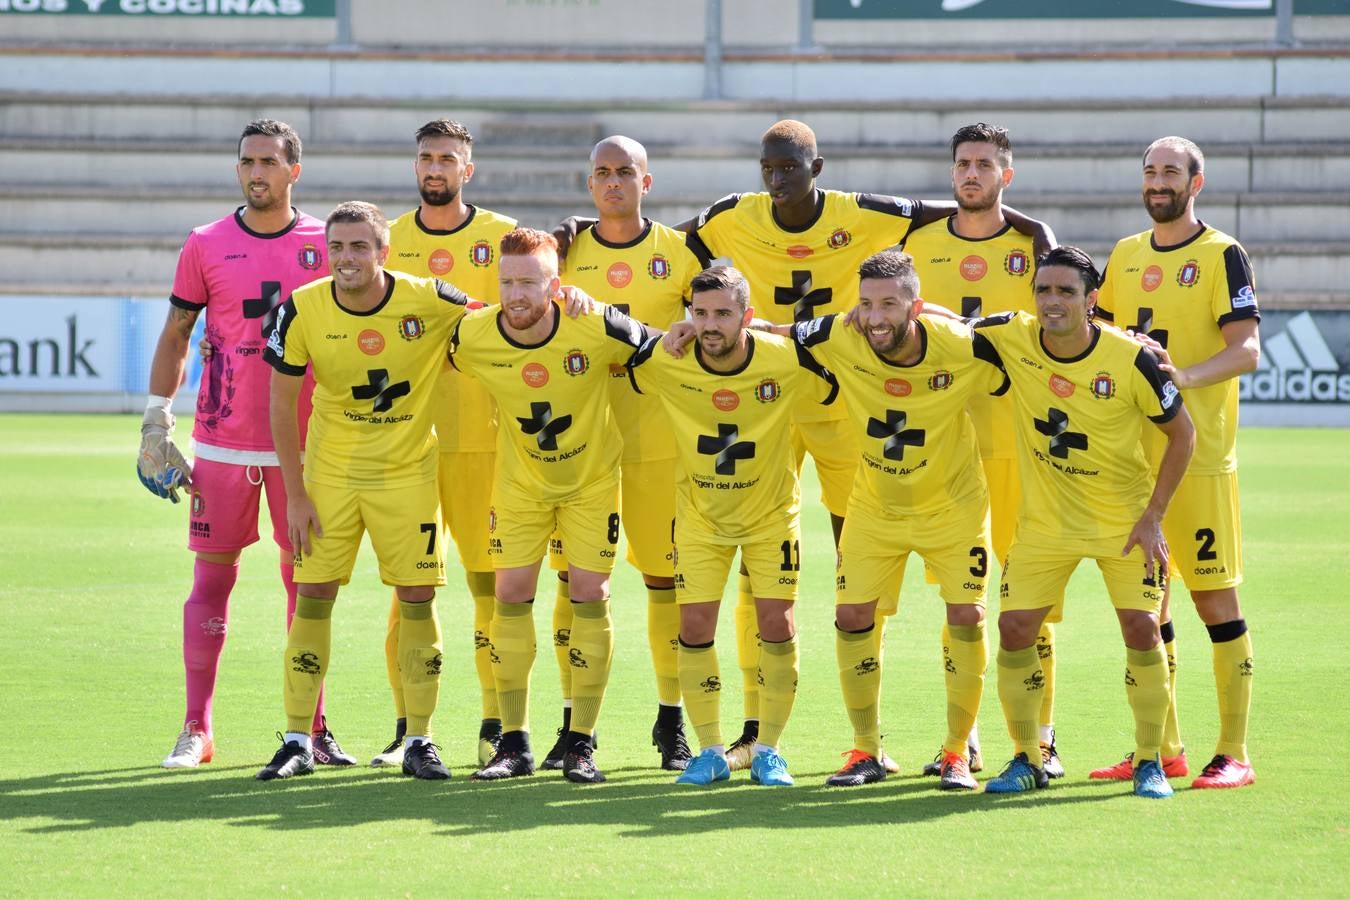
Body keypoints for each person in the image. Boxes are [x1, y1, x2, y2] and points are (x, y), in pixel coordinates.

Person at [682, 119, 1053, 770]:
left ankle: (964, 737)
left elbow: (959, 206)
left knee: (895, 592)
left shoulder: (865, 215)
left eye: (789, 167)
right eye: (767, 168)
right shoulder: (731, 216)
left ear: (815, 168)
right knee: (759, 570)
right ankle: (757, 729)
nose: (776, 179)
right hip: (770, 394)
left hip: (854, 403)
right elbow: (672, 245)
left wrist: (1035, 232)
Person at [739, 250, 1007, 790]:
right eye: (865, 303)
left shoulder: (959, 345)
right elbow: (775, 330)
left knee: (967, 617)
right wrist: (688, 332)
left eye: (889, 303)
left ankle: (956, 751)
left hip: (952, 508)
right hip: (874, 507)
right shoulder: (841, 333)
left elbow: (1022, 339)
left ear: (917, 305)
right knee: (853, 616)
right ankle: (866, 751)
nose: (875, 316)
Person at [139, 118, 353, 770]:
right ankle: (197, 728)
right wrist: (156, 423)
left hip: (306, 447)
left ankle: (312, 730)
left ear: (294, 170)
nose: (255, 173)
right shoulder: (205, 244)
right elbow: (179, 333)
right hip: (225, 441)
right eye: (246, 162)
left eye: (267, 161)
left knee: (306, 589)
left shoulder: (330, 241)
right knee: (211, 581)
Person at [256, 201, 478, 781]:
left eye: (359, 247)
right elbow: (281, 406)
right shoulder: (300, 310)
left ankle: (420, 740)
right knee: (314, 598)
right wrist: (296, 495)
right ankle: (300, 738)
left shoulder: (429, 298)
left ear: (383, 251)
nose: (346, 259)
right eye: (337, 248)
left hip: (408, 477)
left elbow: (497, 318)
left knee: (417, 600)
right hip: (329, 479)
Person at [973, 246, 1195, 799]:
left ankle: (1149, 759)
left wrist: (1154, 517)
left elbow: (1183, 434)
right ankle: (1027, 757)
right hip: (1046, 525)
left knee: (1142, 630)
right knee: (1014, 629)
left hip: (1125, 524)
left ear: (1092, 300)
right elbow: (945, 327)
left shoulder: (1132, 360)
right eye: (1044, 290)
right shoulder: (1011, 336)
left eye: (1066, 292)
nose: (1052, 302)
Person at [450, 228, 657, 785]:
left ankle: (581, 743)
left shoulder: (594, 324)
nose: (516, 295)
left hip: (591, 485)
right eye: (507, 282)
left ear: (557, 285)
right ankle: (514, 743)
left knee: (590, 596)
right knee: (509, 598)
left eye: (530, 282)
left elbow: (666, 346)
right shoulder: (472, 335)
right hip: (520, 487)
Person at [1091, 136, 1261, 790]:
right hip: (1136, 463)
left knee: (1215, 599)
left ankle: (1234, 752)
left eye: (1171, 171)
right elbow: (1102, 341)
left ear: (1196, 182)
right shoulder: (1126, 254)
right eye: (1150, 170)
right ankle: (1163, 749)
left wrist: (1183, 375)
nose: (1158, 180)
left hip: (1201, 459)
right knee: (1147, 607)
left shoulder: (1222, 254)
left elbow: (1246, 350)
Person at [630, 265, 838, 787]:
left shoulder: (784, 358)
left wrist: (783, 330)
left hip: (771, 518)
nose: (710, 325)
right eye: (699, 314)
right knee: (694, 630)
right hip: (700, 520)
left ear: (747, 316)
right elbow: (618, 336)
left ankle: (768, 749)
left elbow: (843, 345)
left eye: (723, 313)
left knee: (777, 627)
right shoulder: (667, 360)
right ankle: (709, 751)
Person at [902, 122, 1063, 778]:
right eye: (964, 163)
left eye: (985, 164)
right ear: (951, 174)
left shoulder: (1036, 250)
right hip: (948, 450)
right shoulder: (917, 244)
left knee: (1031, 601)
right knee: (961, 603)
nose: (972, 174)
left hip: (1024, 447)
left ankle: (1039, 741)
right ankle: (960, 741)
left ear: (1006, 175)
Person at [540, 135, 702, 772]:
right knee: (575, 586)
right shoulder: (565, 250)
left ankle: (671, 720)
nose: (613, 183)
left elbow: (715, 321)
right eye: (601, 173)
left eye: (624, 173)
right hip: (577, 446)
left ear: (646, 182)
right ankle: (575, 727)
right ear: (589, 185)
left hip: (656, 442)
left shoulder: (679, 253)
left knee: (665, 579)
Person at [375, 119, 518, 769]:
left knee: (491, 589)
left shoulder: (501, 237)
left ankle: (495, 727)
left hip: (484, 441)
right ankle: (409, 730)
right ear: (415, 168)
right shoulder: (389, 240)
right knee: (410, 592)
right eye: (427, 158)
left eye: (448, 159)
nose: (436, 168)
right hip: (405, 443)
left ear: (469, 170)